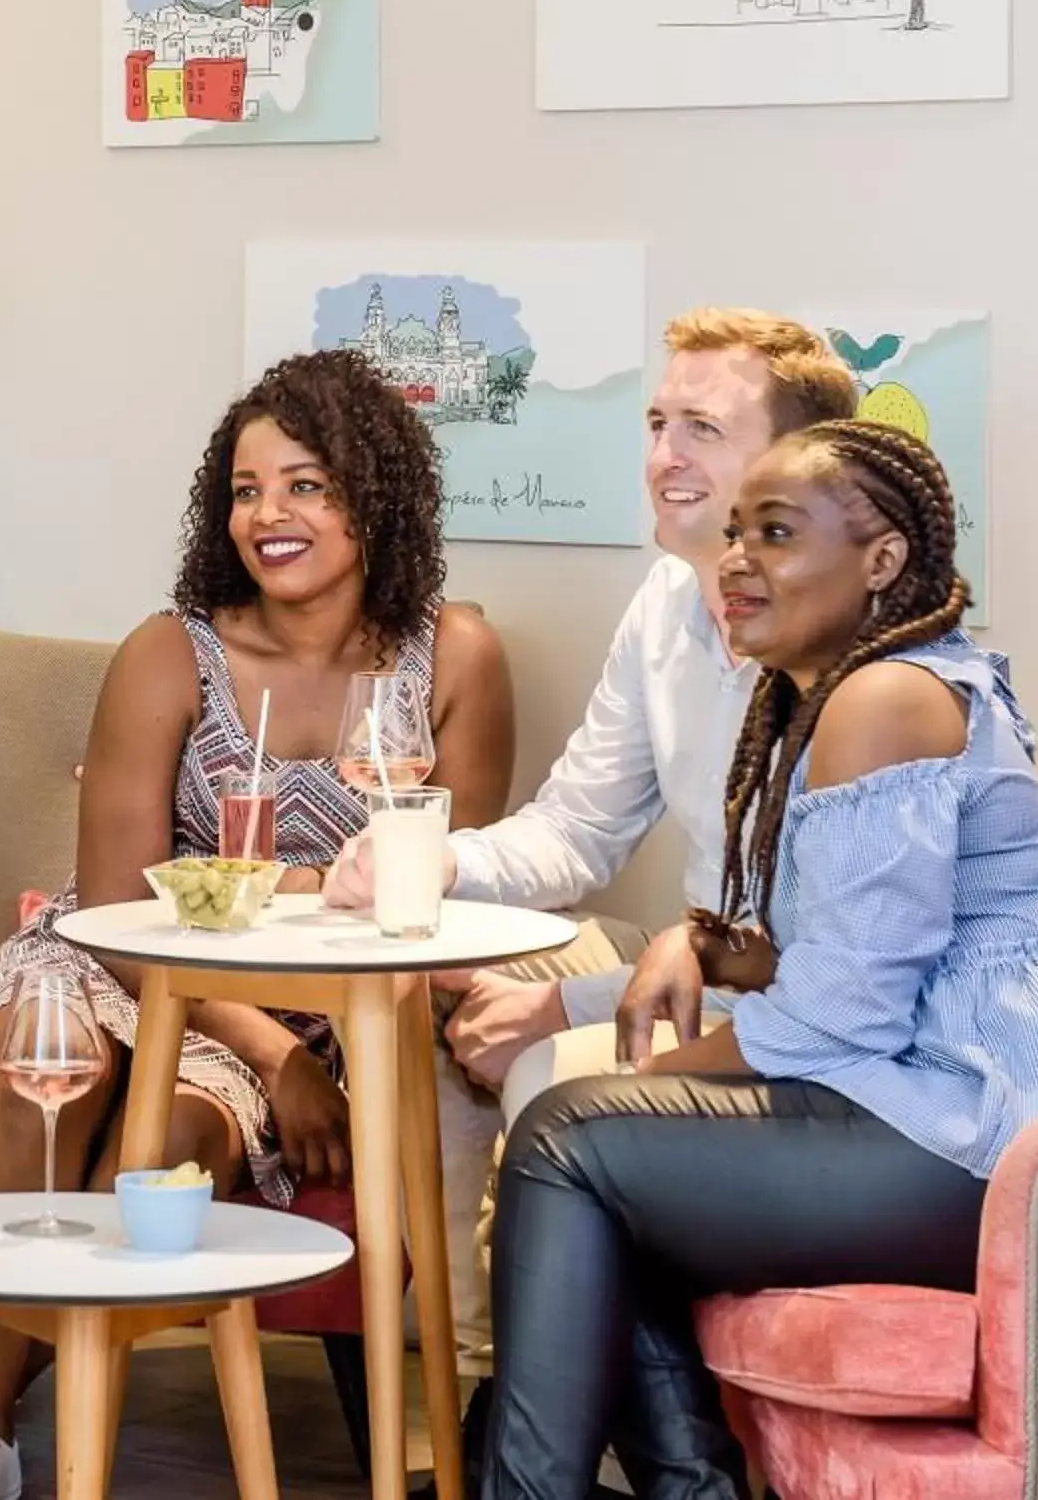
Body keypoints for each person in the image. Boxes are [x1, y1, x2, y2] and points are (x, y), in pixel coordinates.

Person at [0, 350, 516, 1500]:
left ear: (373, 495)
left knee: (177, 1147)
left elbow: (448, 884)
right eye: (246, 489)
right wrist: (277, 1051)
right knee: (48, 1064)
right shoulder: (172, 651)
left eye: (305, 483)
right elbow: (109, 903)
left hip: (310, 1003)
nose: (269, 515)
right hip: (117, 965)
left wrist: (301, 1034)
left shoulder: (457, 659)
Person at [480, 421, 1038, 1500]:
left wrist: (651, 1086)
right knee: (609, 1162)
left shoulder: (884, 700)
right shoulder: (838, 698)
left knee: (571, 1140)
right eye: (732, 533)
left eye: (775, 533)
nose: (735, 560)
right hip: (952, 1106)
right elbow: (862, 954)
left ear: (884, 561)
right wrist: (709, 952)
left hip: (995, 1135)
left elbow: (839, 1022)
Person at [318, 308, 859, 1426]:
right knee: (433, 986)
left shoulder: (842, 640)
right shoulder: (664, 604)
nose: (664, 455)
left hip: (779, 999)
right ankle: (472, 1391)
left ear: (794, 466)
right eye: (658, 421)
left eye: (702, 428)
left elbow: (800, 956)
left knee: (538, 1068)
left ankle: (538, 1408)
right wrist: (420, 858)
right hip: (691, 957)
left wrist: (561, 1002)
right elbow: (575, 832)